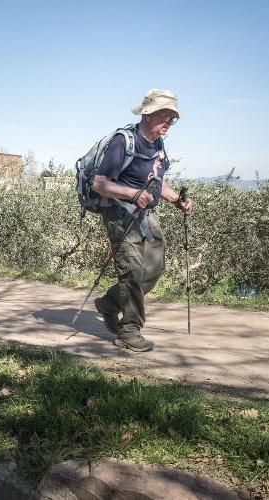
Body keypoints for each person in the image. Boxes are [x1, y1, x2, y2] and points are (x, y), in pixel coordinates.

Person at [91, 89, 193, 352]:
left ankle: (109, 304)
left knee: (154, 269)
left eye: (173, 118)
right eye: (166, 116)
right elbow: (99, 184)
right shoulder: (123, 142)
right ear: (148, 114)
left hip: (147, 216)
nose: (169, 122)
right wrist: (133, 194)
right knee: (133, 272)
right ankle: (129, 330)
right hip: (120, 214)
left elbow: (158, 180)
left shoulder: (158, 143)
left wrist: (176, 200)